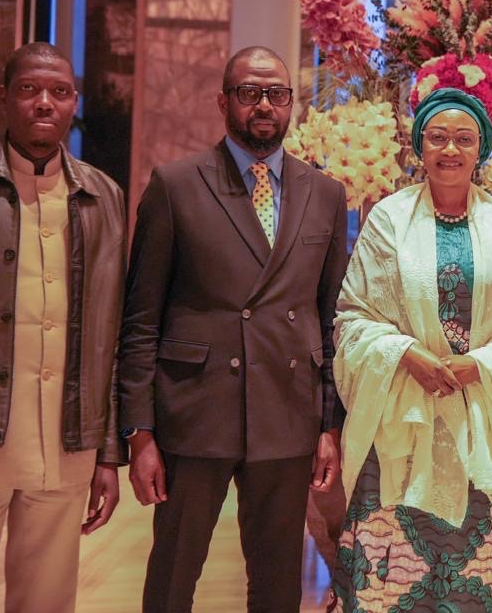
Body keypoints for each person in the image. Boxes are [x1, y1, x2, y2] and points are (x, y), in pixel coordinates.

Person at [118, 46, 349, 612]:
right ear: (223, 101)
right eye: (249, 92)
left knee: (276, 585)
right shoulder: (175, 185)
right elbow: (141, 319)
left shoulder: (325, 193)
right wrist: (139, 431)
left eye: (276, 93)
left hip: (287, 412)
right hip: (195, 411)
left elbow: (331, 320)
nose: (264, 105)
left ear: (292, 103)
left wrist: (329, 425)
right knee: (173, 576)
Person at [332, 87, 492, 612]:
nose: (450, 150)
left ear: (482, 150)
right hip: (401, 421)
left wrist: (483, 364)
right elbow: (354, 316)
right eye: (438, 137)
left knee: (474, 575)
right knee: (393, 576)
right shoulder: (388, 219)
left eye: (464, 139)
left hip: (481, 420)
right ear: (418, 146)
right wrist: (404, 353)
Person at [0, 42, 125, 613]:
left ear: (73, 103)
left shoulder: (103, 197)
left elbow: (112, 335)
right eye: (30, 89)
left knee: (46, 603)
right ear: (4, 96)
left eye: (59, 92)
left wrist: (107, 453)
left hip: (66, 438)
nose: (44, 103)